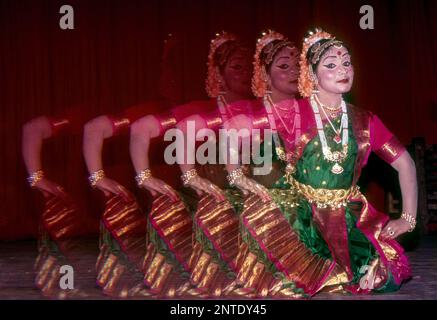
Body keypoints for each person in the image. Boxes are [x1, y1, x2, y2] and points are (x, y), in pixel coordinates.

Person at [227, 28, 416, 297]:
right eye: (331, 65)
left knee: (389, 274)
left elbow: (405, 164)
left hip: (349, 214)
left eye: (346, 63)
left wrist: (408, 219)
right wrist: (237, 178)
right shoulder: (292, 112)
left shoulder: (365, 120)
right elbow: (235, 128)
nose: (343, 70)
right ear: (312, 76)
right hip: (303, 216)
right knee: (303, 277)